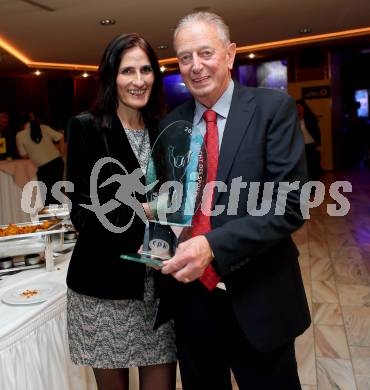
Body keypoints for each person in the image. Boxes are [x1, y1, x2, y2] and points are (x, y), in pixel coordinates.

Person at [158, 11, 311, 390]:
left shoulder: (272, 110)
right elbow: (172, 200)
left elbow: (290, 206)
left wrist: (211, 246)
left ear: (230, 54)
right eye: (185, 57)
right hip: (192, 301)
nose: (195, 66)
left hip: (258, 295)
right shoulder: (170, 126)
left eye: (205, 53)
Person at [65, 33, 176, 390]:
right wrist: (143, 209)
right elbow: (80, 214)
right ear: (112, 76)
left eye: (146, 70)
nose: (139, 80)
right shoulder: (86, 128)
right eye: (128, 71)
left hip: (159, 290)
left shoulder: (166, 128)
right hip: (103, 291)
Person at [16, 113, 64, 205]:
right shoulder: (44, 127)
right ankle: (62, 216)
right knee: (57, 192)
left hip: (42, 167)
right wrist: (61, 153)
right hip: (57, 162)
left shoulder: (20, 135)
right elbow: (61, 137)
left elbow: (24, 156)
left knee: (47, 196)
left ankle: (53, 218)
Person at [296, 99, 322, 180]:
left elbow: (317, 132)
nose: (298, 108)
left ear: (304, 107)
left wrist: (318, 145)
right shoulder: (295, 119)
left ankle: (312, 187)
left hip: (310, 146)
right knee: (302, 168)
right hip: (300, 147)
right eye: (296, 107)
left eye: (299, 106)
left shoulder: (310, 117)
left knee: (311, 167)